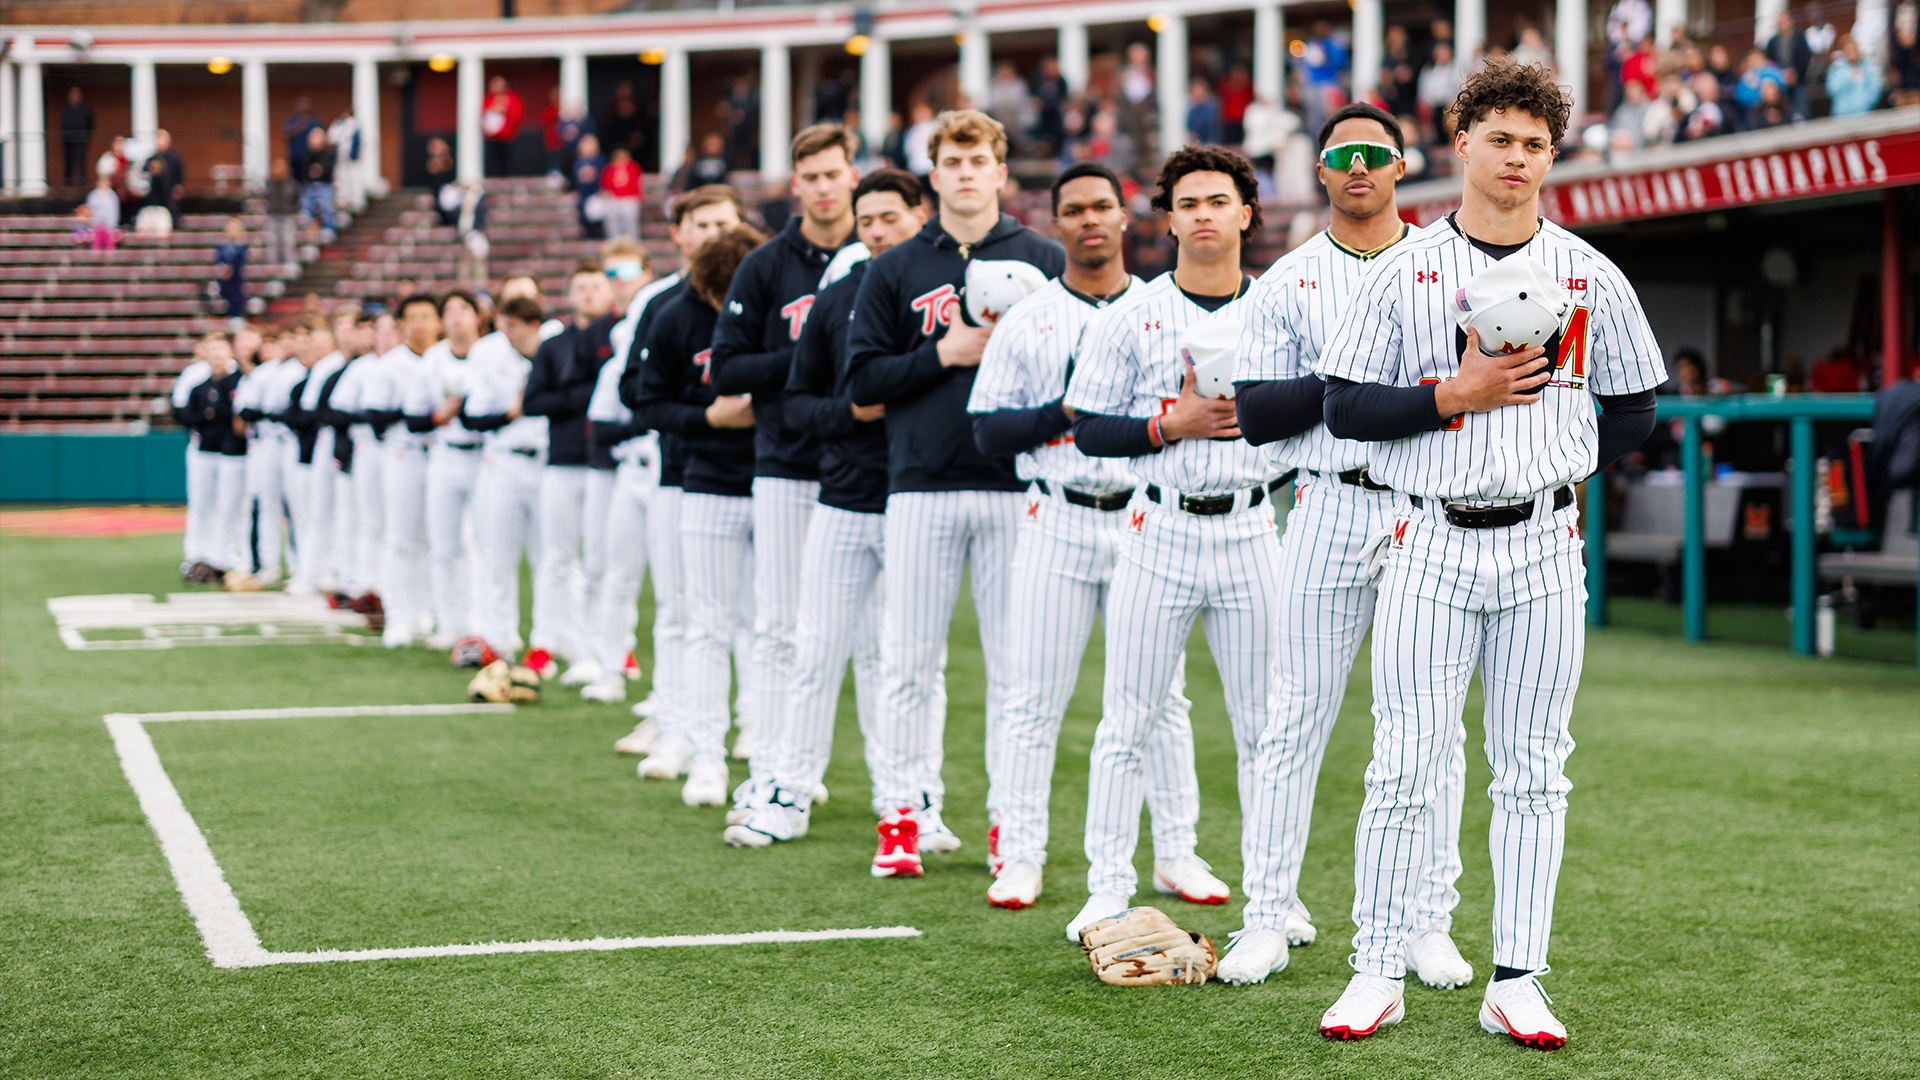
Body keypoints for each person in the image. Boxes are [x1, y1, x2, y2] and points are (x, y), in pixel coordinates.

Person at [1311, 56, 1663, 1049]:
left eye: (1535, 144)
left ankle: (1517, 979)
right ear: (1461, 142)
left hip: (1546, 542)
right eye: (1500, 138)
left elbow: (1636, 409)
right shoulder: (1407, 269)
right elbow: (1342, 406)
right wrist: (1450, 399)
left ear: (1554, 157)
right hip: (1428, 535)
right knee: (1403, 766)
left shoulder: (1589, 272)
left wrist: (1563, 443)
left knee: (1535, 770)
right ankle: (1375, 968)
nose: (1516, 158)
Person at [1216, 101, 1471, 988]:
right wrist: (1352, 380)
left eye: (1374, 154)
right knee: (1294, 717)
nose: (1358, 168)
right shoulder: (1289, 278)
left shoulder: (1445, 266)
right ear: (1320, 172)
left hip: (1423, 507)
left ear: (1402, 167)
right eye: (1342, 156)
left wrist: (1348, 386)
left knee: (1428, 727)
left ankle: (1425, 920)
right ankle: (1266, 913)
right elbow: (1253, 414)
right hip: (1325, 503)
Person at [962, 159, 1224, 912]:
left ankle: (1177, 849)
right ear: (1056, 224)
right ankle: (1019, 854)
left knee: (1162, 696)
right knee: (1032, 694)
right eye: (1073, 210)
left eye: (1101, 207)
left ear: (1126, 218)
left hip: (1147, 516)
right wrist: (1065, 412)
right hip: (1056, 512)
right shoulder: (1031, 317)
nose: (1088, 220)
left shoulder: (1161, 308)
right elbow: (987, 432)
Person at [1059, 145, 1279, 939]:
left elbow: (1315, 416)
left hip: (1253, 526)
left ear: (1247, 213)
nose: (1205, 215)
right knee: (1130, 718)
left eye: (1220, 201)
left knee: (1266, 727)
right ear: (1169, 218)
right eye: (1190, 203)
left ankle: (1272, 898)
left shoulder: (1278, 307)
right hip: (1159, 526)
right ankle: (1106, 887)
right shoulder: (1134, 312)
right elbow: (1087, 430)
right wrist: (1168, 424)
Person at [845, 109, 1065, 877]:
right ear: (932, 175)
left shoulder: (1043, 257)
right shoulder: (893, 266)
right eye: (952, 161)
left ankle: (1011, 824)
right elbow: (862, 381)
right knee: (909, 659)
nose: (966, 173)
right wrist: (945, 351)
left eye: (980, 160)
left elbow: (1071, 371)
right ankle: (901, 813)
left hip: (1015, 487)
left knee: (1016, 667)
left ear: (1001, 172)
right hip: (920, 485)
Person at [722, 168, 924, 848]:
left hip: (919, 497)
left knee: (907, 658)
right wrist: (855, 408)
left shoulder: (947, 295)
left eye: (890, 218)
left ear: (918, 217)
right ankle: (787, 789)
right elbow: (798, 404)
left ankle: (914, 801)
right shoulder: (836, 297)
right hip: (840, 495)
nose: (877, 232)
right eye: (867, 222)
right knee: (814, 648)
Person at [703, 123, 860, 824]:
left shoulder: (877, 258)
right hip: (787, 464)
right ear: (796, 185)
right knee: (777, 626)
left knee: (872, 640)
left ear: (853, 174)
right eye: (812, 176)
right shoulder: (766, 265)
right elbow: (727, 366)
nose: (825, 186)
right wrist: (806, 359)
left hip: (862, 471)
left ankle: (907, 800)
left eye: (835, 172)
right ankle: (770, 769)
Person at [632, 225, 769, 807]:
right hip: (704, 481)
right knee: (705, 624)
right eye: (717, 297)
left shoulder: (779, 304)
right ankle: (706, 756)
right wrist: (709, 417)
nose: (726, 308)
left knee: (772, 627)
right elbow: (645, 400)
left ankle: (771, 753)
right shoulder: (672, 314)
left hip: (776, 480)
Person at [615, 185, 749, 769]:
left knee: (753, 610)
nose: (713, 234)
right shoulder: (661, 304)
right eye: (700, 224)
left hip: (761, 473)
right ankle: (674, 717)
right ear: (679, 234)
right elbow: (633, 391)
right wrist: (703, 413)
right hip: (679, 470)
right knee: (679, 605)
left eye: (724, 222)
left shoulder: (764, 291)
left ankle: (749, 720)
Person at [581, 238, 673, 705]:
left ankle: (667, 687)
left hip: (662, 460)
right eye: (610, 274)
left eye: (625, 272)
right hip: (628, 464)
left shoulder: (663, 306)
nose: (618, 283)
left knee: (670, 582)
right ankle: (611, 666)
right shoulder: (619, 332)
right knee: (619, 573)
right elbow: (603, 419)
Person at [522, 262, 617, 679]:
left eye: (596, 285)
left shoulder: (622, 338)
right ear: (571, 294)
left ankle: (607, 647)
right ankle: (544, 641)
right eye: (581, 287)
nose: (589, 293)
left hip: (606, 464)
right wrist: (582, 394)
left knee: (604, 560)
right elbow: (533, 401)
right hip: (562, 460)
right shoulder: (554, 345)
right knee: (556, 556)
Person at [462, 295, 554, 662]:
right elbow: (474, 416)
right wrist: (513, 411)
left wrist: (530, 403)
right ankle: (497, 637)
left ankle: (552, 638)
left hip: (547, 459)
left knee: (552, 557)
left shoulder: (555, 344)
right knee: (497, 553)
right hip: (504, 458)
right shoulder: (487, 352)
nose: (506, 332)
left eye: (513, 325)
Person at [408, 291, 486, 649]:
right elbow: (415, 418)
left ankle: (480, 622)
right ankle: (448, 621)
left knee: (481, 543)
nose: (456, 317)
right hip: (445, 452)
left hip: (486, 455)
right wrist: (443, 413)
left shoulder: (490, 353)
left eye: (463, 309)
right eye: (449, 311)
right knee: (444, 543)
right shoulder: (433, 360)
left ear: (477, 316)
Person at [373, 295, 444, 646]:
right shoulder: (390, 365)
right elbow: (374, 415)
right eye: (412, 317)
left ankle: (434, 613)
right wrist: (412, 414)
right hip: (404, 452)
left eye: (426, 316)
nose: (420, 324)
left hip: (445, 454)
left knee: (444, 539)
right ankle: (399, 616)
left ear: (438, 322)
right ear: (401, 325)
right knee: (402, 538)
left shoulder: (447, 358)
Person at [1825, 36, 1883, 116]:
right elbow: (1832, 89)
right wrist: (1848, 77)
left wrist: (1866, 103)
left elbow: (1875, 88)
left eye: (1854, 50)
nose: (1852, 54)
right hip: (1842, 113)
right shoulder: (1837, 68)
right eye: (1848, 51)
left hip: (1863, 112)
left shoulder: (1867, 67)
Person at [482, 75, 525, 178]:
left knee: (507, 163)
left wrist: (505, 111)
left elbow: (518, 114)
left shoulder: (512, 98)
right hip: (491, 138)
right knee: (492, 163)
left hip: (508, 137)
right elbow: (483, 115)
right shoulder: (488, 99)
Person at [300, 127, 337, 238]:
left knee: (327, 206)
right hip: (310, 186)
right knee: (305, 204)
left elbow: (329, 170)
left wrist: (320, 170)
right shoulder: (306, 155)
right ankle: (308, 229)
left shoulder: (327, 155)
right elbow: (302, 172)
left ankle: (328, 229)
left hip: (324, 186)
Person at [264, 159, 301, 270]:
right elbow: (266, 197)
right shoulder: (269, 183)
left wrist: (292, 209)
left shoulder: (291, 183)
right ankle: (272, 263)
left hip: (287, 215)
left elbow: (296, 197)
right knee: (272, 240)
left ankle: (290, 262)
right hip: (273, 215)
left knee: (288, 240)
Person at [144, 129, 185, 230]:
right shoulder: (152, 157)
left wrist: (178, 186)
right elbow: (144, 172)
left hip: (169, 193)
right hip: (155, 194)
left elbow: (179, 173)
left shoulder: (173, 157)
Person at [328, 108, 365, 214]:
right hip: (340, 158)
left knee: (354, 179)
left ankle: (356, 201)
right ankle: (342, 201)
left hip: (352, 159)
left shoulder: (355, 124)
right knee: (340, 179)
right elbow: (332, 139)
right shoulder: (337, 124)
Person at [600, 148, 643, 240]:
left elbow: (638, 184)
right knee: (610, 215)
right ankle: (613, 240)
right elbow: (605, 186)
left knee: (629, 215)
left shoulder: (633, 167)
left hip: (629, 198)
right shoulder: (610, 169)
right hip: (614, 199)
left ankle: (632, 240)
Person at [572, 133, 607, 240]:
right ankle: (586, 232)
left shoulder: (600, 160)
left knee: (596, 214)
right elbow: (573, 178)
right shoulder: (578, 162)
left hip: (596, 193)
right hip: (583, 194)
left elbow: (604, 176)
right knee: (583, 213)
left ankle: (597, 233)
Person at [214, 218, 249, 319]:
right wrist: (222, 269)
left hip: (236, 277)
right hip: (224, 278)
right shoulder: (222, 246)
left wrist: (232, 268)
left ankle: (236, 316)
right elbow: (218, 260)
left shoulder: (241, 246)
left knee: (236, 298)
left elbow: (241, 260)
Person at [60, 87, 94, 190]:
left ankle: (82, 185)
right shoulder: (66, 110)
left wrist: (85, 136)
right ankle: (68, 185)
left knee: (81, 162)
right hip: (68, 140)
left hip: (80, 140)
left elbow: (90, 123)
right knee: (69, 162)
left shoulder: (85, 110)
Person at [84, 176, 119, 253]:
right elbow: (89, 209)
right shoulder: (93, 195)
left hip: (108, 224)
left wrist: (112, 224)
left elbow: (114, 211)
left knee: (109, 239)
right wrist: (92, 223)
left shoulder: (112, 196)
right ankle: (96, 255)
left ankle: (110, 256)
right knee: (97, 238)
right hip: (96, 224)